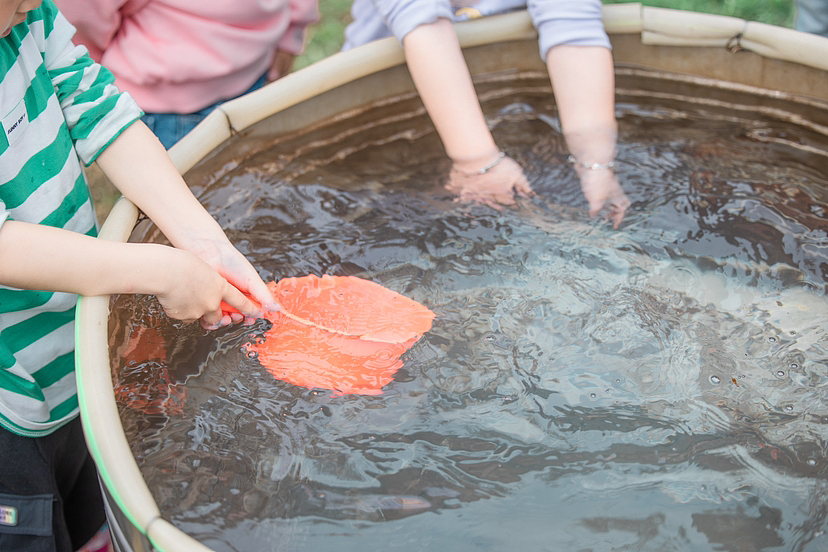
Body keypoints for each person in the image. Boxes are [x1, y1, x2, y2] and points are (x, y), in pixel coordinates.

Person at [0, 1, 277, 550]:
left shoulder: (27, 17)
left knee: (88, 500)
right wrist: (159, 270)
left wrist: (204, 244)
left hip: (72, 352)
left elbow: (105, 115)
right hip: (9, 398)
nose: (33, 2)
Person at [343, 0, 630, 228]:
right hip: (393, 99)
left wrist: (595, 164)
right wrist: (478, 161)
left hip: (508, 101)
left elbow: (574, 30)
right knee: (390, 214)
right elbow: (423, 26)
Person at [55, 0, 319, 148]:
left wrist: (93, 55)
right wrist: (293, 27)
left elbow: (82, 13)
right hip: (176, 103)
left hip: (168, 88)